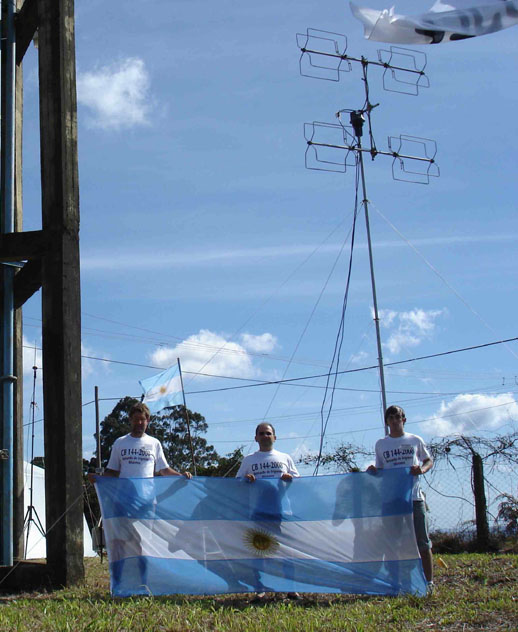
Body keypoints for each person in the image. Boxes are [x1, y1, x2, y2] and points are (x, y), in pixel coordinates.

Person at [368, 405, 434, 592]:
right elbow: (380, 469)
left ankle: (429, 583)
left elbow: (428, 460)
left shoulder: (414, 440)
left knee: (422, 541)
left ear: (404, 419)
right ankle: (395, 582)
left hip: (414, 498)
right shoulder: (381, 444)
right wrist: (373, 471)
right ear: (387, 422)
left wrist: (421, 469)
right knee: (392, 543)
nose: (395, 420)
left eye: (398, 417)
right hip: (391, 500)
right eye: (391, 417)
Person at [237, 422, 300, 600]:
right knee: (259, 551)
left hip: (282, 511)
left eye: (268, 433)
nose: (265, 436)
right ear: (256, 438)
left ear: (275, 437)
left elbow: (299, 481)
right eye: (262, 434)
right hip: (258, 511)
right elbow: (236, 482)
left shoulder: (285, 458)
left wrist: (290, 479)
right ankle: (259, 588)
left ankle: (291, 588)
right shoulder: (249, 460)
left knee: (287, 552)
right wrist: (246, 480)